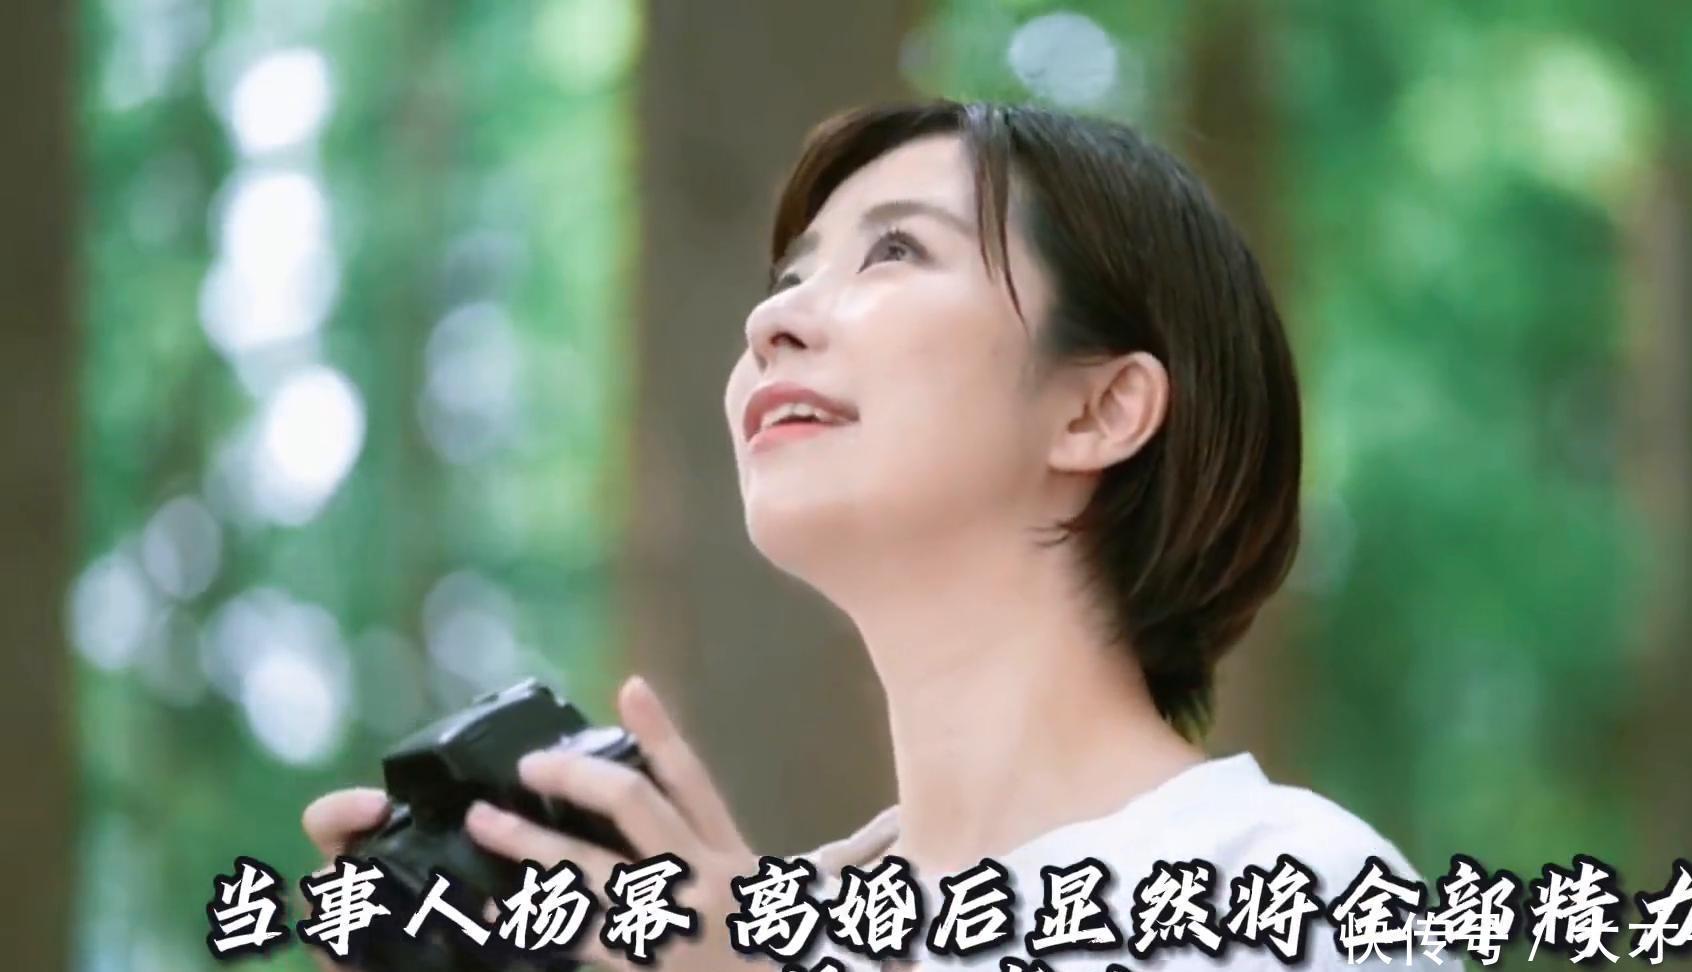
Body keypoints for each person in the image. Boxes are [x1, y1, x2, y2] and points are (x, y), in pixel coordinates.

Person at [303, 100, 1459, 971]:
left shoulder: (1288, 887)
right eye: (787, 277)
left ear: (1098, 410)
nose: (772, 319)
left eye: (895, 251)